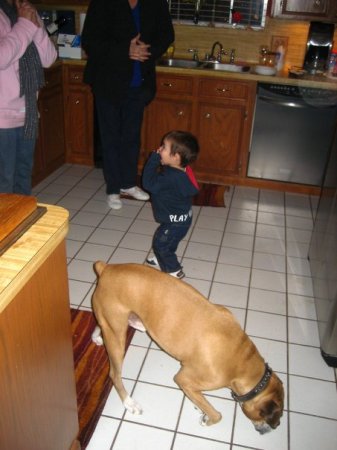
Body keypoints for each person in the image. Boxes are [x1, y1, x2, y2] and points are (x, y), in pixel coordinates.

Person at [81, 0, 175, 210]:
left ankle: (129, 183)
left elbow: (167, 34)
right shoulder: (103, 3)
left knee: (131, 137)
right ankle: (113, 188)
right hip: (107, 82)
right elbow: (90, 40)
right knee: (111, 137)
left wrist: (147, 51)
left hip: (138, 83)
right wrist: (126, 50)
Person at [0, 0, 57, 195]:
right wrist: (25, 24)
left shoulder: (26, 11)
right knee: (4, 182)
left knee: (23, 177)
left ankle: (21, 223)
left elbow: (49, 58)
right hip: (2, 117)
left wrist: (36, 24)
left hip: (28, 113)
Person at [143, 130, 200, 279]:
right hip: (183, 219)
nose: (159, 149)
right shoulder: (184, 170)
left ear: (175, 157)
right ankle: (163, 259)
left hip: (174, 222)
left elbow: (148, 183)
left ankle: (174, 270)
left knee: (160, 243)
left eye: (164, 147)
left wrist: (153, 159)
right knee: (170, 241)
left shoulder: (169, 177)